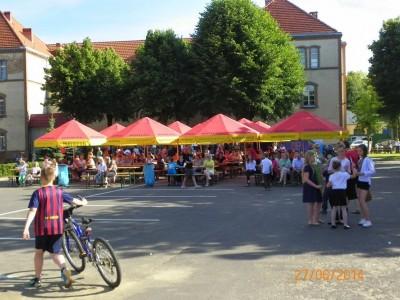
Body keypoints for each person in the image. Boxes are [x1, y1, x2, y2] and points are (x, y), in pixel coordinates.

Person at [22, 163, 88, 288]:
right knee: (55, 252)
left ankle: (37, 279)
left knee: (39, 253)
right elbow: (74, 201)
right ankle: (64, 270)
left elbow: (32, 211)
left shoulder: (38, 193)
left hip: (42, 229)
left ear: (41, 177)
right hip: (57, 227)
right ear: (54, 178)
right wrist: (83, 202)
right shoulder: (59, 192)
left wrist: (26, 228)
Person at [354, 144, 375, 228]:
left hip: (365, 182)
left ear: (364, 151)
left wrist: (362, 173)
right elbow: (358, 169)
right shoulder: (360, 159)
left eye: (360, 151)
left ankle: (368, 220)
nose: (358, 152)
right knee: (360, 201)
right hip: (359, 181)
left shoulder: (368, 159)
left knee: (362, 201)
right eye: (358, 151)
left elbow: (372, 171)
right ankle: (363, 218)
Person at [327, 160, 353, 229]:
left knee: (334, 208)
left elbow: (328, 185)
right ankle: (345, 224)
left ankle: (333, 224)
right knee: (344, 208)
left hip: (334, 191)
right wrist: (354, 168)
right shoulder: (344, 174)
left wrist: (331, 184)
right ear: (340, 167)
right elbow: (352, 176)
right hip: (342, 191)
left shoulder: (331, 176)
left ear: (333, 167)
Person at [302, 151, 323, 226]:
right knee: (312, 203)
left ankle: (316, 218)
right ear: (309, 157)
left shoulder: (312, 165)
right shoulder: (307, 166)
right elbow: (306, 179)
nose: (314, 157)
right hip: (310, 186)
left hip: (314, 185)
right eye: (313, 156)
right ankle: (311, 220)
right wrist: (316, 186)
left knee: (317, 202)